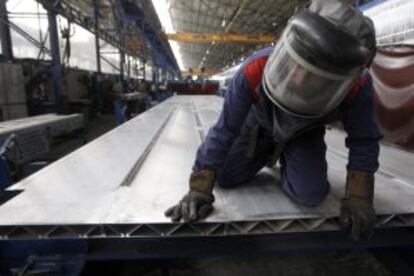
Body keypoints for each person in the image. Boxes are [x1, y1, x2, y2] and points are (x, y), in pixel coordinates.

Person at [165, 0, 382, 241]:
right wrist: (199, 187)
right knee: (225, 176)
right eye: (299, 65)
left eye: (316, 76)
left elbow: (364, 140)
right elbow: (225, 129)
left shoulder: (358, 87)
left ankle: (286, 154)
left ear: (347, 78)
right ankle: (267, 149)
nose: (299, 81)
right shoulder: (255, 68)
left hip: (304, 131)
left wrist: (359, 197)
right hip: (257, 124)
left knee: (310, 194)